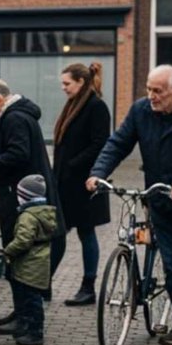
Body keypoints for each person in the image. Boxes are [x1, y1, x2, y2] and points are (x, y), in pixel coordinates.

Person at [87, 64, 172, 345]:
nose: (151, 96)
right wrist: (98, 173)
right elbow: (118, 143)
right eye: (149, 89)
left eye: (158, 91)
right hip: (160, 198)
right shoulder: (141, 110)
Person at [0, 78, 64, 329]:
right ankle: (20, 311)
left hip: (20, 197)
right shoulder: (18, 116)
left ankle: (26, 317)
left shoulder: (14, 119)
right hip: (22, 194)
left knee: (21, 255)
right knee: (21, 256)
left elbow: (18, 155)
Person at [50, 62, 111, 307]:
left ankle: (88, 287)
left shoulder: (96, 107)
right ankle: (43, 284)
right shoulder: (73, 104)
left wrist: (73, 164)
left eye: (67, 83)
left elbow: (100, 144)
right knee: (57, 233)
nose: (63, 88)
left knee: (85, 232)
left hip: (85, 184)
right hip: (67, 184)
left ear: (81, 82)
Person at [2, 174, 58, 345]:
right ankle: (28, 328)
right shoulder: (44, 212)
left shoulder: (28, 216)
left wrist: (8, 251)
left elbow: (23, 240)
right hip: (39, 261)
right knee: (32, 298)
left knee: (31, 300)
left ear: (24, 197)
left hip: (30, 264)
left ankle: (35, 332)